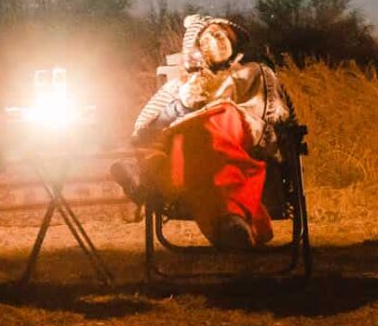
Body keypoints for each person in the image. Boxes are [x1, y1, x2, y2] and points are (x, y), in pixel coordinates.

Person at [117, 14, 294, 250]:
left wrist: (214, 110)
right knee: (185, 136)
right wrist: (181, 105)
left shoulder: (253, 72)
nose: (220, 39)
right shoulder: (179, 86)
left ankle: (149, 180)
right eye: (211, 34)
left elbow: (271, 115)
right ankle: (231, 223)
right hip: (191, 158)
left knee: (215, 120)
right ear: (196, 45)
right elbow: (145, 131)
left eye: (225, 36)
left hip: (237, 140)